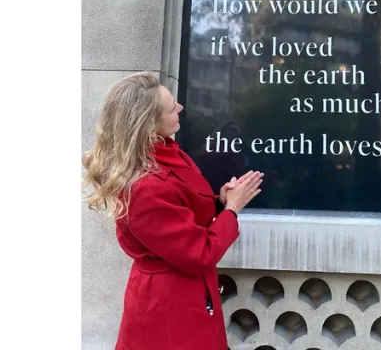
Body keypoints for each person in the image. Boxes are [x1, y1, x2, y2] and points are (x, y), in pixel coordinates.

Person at [82, 72, 263, 350]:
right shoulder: (144, 187)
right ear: (150, 126)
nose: (180, 107)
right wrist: (232, 209)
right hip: (168, 309)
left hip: (187, 296)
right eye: (171, 107)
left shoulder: (166, 152)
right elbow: (199, 252)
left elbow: (180, 213)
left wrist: (219, 201)